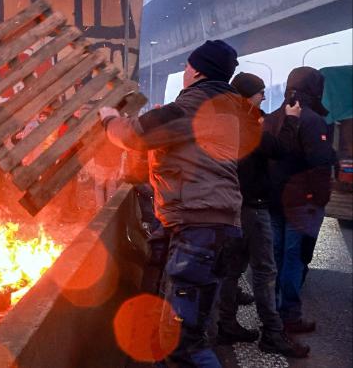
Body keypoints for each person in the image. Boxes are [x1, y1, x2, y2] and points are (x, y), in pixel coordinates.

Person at [99, 40, 243, 366]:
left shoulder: (193, 105)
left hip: (199, 231)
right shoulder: (224, 107)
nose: (184, 72)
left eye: (187, 66)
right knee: (183, 332)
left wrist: (109, 119)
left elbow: (134, 134)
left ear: (197, 71)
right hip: (210, 228)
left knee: (184, 344)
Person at [215, 72, 309, 357]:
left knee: (232, 269)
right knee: (265, 271)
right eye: (260, 92)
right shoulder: (247, 124)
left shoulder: (227, 120)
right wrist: (291, 119)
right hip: (253, 207)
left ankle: (227, 325)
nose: (264, 96)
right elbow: (279, 150)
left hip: (233, 203)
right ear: (247, 95)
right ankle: (272, 333)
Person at [265, 66, 336, 334]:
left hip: (274, 199)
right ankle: (290, 316)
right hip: (301, 202)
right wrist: (321, 198)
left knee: (276, 257)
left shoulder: (272, 117)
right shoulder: (313, 120)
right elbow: (319, 163)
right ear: (314, 87)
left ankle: (271, 312)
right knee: (295, 258)